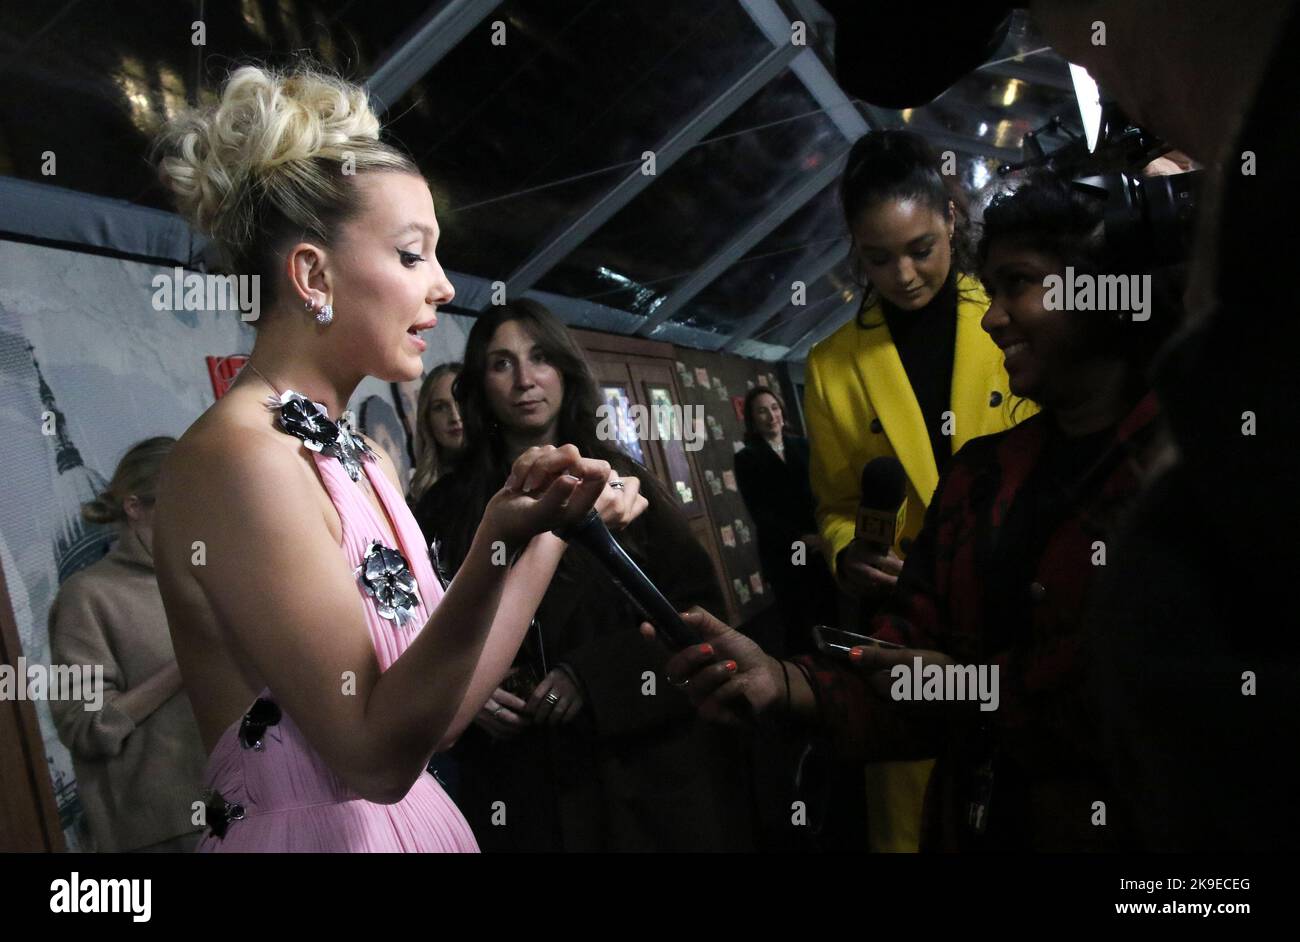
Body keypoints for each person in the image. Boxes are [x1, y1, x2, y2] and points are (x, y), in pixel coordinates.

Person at [149, 63, 625, 852]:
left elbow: (436, 714)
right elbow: (374, 757)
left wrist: (539, 536)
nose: (442, 287)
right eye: (412, 255)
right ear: (312, 274)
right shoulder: (240, 459)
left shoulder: (362, 456)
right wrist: (494, 549)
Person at [652, 174, 1184, 851]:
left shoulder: (1190, 468)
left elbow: (1149, 700)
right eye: (989, 291)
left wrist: (968, 688)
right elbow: (911, 659)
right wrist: (784, 682)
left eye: (1017, 284)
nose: (992, 317)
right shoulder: (978, 477)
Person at [415, 298, 754, 852]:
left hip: (633, 780)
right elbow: (420, 630)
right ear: (479, 382)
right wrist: (469, 696)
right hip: (518, 789)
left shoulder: (622, 483)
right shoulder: (445, 507)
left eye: (540, 357)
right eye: (502, 363)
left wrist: (592, 677)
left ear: (565, 371)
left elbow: (699, 616)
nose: (525, 379)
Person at [802, 128, 1033, 851]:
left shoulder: (1011, 320)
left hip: (1016, 614)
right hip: (907, 633)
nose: (901, 275)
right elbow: (837, 506)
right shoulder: (833, 365)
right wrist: (850, 555)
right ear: (855, 249)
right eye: (878, 257)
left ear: (952, 221)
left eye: (920, 249)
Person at [48, 436, 209, 853]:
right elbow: (87, 727)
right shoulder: (86, 596)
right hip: (165, 832)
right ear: (135, 507)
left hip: (253, 806)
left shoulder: (211, 574)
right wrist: (183, 667)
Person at [733, 386, 837, 655]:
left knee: (829, 607)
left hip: (818, 543)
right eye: (762, 411)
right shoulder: (746, 458)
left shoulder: (803, 446)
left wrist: (823, 534)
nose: (771, 415)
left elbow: (822, 492)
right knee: (797, 614)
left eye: (775, 408)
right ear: (752, 419)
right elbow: (760, 512)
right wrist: (801, 538)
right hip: (785, 548)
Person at [408, 361, 464, 506]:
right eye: (440, 407)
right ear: (427, 420)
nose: (455, 417)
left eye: (461, 401)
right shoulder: (419, 499)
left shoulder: (508, 473)